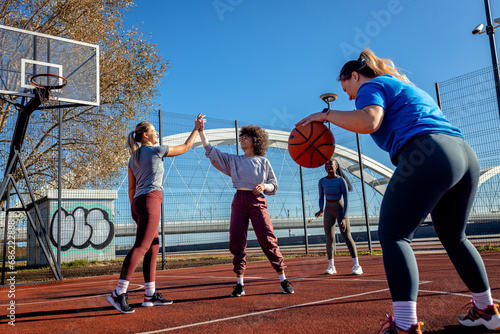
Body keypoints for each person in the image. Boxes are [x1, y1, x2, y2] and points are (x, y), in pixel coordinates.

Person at [296, 48, 500, 334]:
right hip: (464, 155)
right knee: (455, 237)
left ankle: (404, 325)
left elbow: (369, 121)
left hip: (428, 153)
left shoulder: (371, 86)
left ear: (356, 76)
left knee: (393, 234)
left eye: (347, 89)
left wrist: (326, 114)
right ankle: (487, 310)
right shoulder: (402, 85)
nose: (350, 97)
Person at [106, 113, 205, 314]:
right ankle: (118, 293)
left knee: (153, 246)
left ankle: (150, 294)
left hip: (138, 202)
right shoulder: (156, 150)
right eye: (153, 130)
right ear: (144, 136)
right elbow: (185, 148)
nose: (157, 133)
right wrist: (196, 129)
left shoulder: (133, 158)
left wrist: (135, 209)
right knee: (142, 247)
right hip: (151, 200)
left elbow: (131, 189)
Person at [199, 122, 294, 297]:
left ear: (256, 141)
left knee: (268, 238)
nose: (242, 139)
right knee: (237, 241)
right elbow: (212, 152)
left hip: (257, 201)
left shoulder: (264, 162)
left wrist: (264, 186)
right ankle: (239, 284)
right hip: (239, 201)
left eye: (246, 137)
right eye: (241, 137)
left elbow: (274, 186)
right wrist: (201, 132)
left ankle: (283, 279)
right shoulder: (235, 161)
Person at [315, 158, 362, 275]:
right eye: (326, 164)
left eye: (331, 164)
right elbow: (321, 198)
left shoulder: (341, 181)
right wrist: (321, 209)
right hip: (328, 209)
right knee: (329, 238)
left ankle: (357, 265)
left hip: (339, 208)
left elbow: (346, 199)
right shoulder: (321, 181)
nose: (328, 166)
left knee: (346, 236)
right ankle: (331, 266)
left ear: (336, 166)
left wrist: (344, 217)